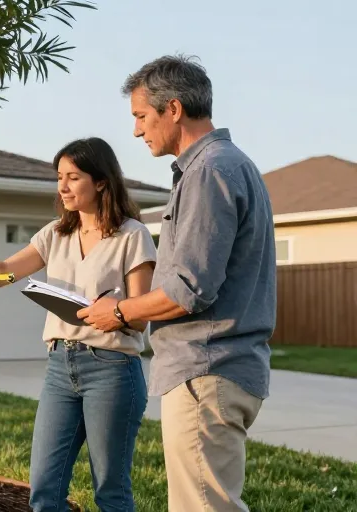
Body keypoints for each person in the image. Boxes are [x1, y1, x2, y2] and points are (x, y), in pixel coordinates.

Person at [77, 55, 276, 512]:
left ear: (173, 110)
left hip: (206, 370)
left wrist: (120, 312)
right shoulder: (228, 165)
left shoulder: (209, 171)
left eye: (141, 117)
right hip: (220, 368)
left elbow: (189, 290)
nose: (135, 131)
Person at [0, 136, 157, 511]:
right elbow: (1, 273)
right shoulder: (55, 233)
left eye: (73, 177)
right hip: (60, 367)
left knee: (110, 491)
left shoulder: (132, 235)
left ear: (101, 182)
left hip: (113, 370)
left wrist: (114, 310)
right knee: (44, 491)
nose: (62, 186)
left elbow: (140, 315)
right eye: (59, 177)